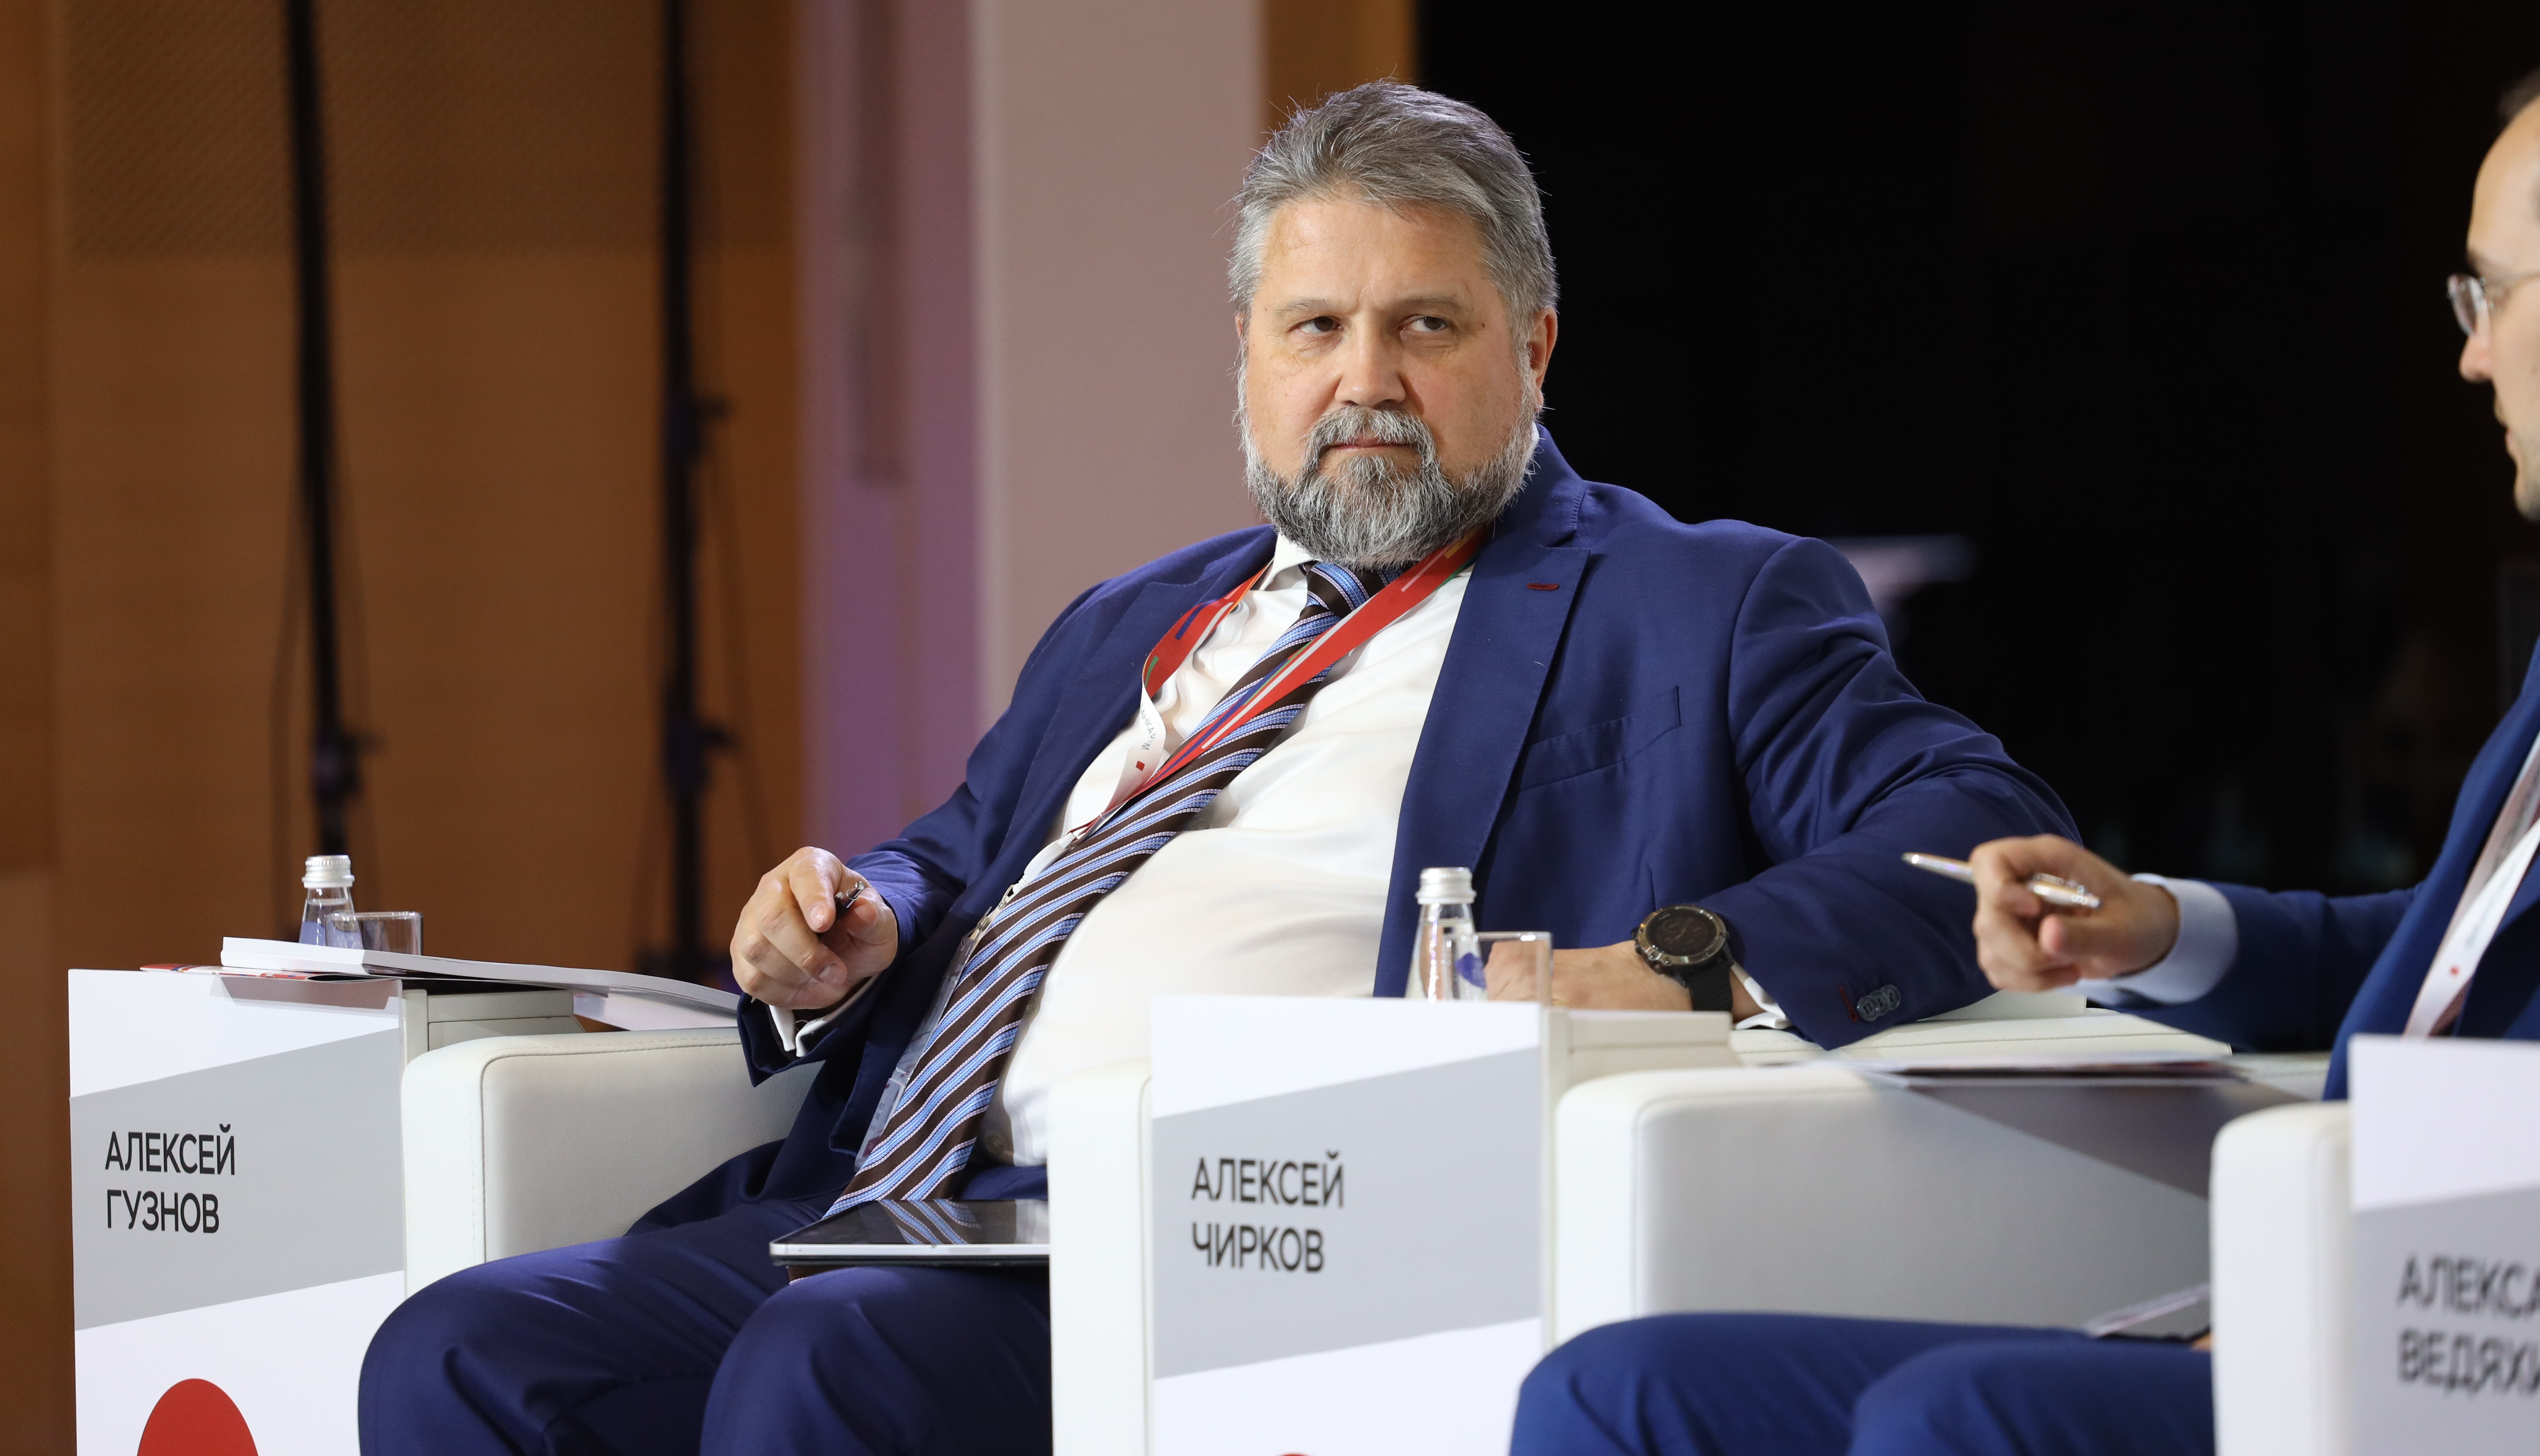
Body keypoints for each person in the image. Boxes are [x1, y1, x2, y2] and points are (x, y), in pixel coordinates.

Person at [360, 82, 2070, 1456]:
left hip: (1246, 1230)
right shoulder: (1136, 617)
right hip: (909, 1200)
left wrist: (1675, 964)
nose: (1364, 382)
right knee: (465, 1350)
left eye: (1425, 327)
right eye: (1314, 328)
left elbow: (1981, 832)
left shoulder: (1695, 602)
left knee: (838, 1362)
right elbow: (964, 848)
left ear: (1535, 350)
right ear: (1249, 353)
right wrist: (857, 912)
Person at [1507, 80, 2540, 1456]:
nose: (2470, 357)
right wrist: (2158, 928)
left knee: (1955, 1418)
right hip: (2320, 1307)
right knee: (1615, 1391)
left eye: (2492, 295)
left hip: (2458, 1352)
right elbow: (2444, 971)